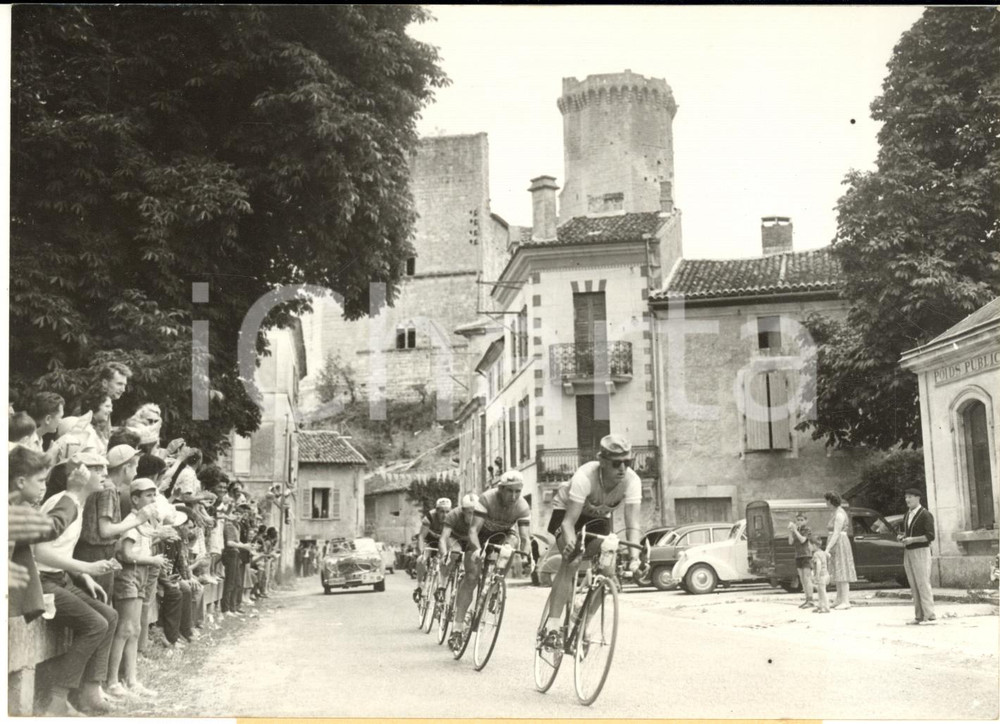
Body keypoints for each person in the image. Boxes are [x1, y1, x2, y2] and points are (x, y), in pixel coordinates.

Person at [33, 451, 123, 715]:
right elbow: (41, 553)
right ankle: (57, 699)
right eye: (98, 469)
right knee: (95, 624)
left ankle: (90, 690)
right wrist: (86, 567)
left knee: (110, 615)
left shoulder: (77, 503)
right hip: (42, 582)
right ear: (81, 475)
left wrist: (83, 577)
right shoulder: (64, 503)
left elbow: (61, 549)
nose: (105, 474)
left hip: (58, 578)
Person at [541, 434, 642, 648]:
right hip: (567, 513)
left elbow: (633, 525)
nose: (623, 468)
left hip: (597, 519)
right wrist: (570, 544)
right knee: (573, 560)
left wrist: (635, 558)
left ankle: (582, 618)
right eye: (616, 463)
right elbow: (568, 523)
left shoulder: (632, 481)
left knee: (608, 569)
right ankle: (552, 627)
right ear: (603, 462)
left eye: (627, 462)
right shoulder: (585, 477)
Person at [448, 471, 532, 652]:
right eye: (510, 491)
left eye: (518, 491)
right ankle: (457, 626)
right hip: (481, 536)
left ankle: (495, 587)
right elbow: (472, 531)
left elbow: (525, 537)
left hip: (503, 536)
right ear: (500, 489)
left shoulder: (523, 506)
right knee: (471, 577)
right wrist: (477, 549)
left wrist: (526, 555)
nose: (514, 496)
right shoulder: (487, 499)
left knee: (512, 543)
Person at [106, 477, 164, 699]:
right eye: (147, 495)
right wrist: (152, 560)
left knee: (136, 629)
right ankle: (113, 682)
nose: (152, 499)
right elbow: (126, 554)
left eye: (153, 495)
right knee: (125, 628)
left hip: (141, 575)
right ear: (135, 498)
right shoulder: (131, 521)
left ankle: (132, 680)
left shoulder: (145, 523)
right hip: (129, 576)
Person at [899, 488, 936, 625]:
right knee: (914, 584)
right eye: (906, 497)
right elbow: (906, 532)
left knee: (923, 583)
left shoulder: (925, 514)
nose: (907, 500)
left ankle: (930, 616)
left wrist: (912, 540)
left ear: (918, 498)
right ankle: (919, 616)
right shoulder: (907, 515)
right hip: (908, 551)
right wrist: (903, 536)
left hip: (921, 551)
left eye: (910, 497)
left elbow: (930, 536)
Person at [435, 493, 479, 601]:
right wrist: (445, 555)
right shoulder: (453, 515)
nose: (473, 516)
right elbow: (443, 539)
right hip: (454, 538)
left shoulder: (482, 516)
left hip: (470, 540)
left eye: (475, 513)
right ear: (463, 510)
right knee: (455, 553)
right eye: (469, 513)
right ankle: (442, 586)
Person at [413, 496, 452, 603]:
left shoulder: (453, 518)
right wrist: (421, 553)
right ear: (436, 510)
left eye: (447, 512)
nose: (444, 515)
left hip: (442, 542)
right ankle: (419, 586)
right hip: (429, 540)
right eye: (441, 512)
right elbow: (421, 537)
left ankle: (441, 588)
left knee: (445, 561)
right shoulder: (430, 516)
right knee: (422, 559)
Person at [823, 492, 856, 610]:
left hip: (840, 543)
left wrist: (827, 548)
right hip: (836, 543)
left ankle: (846, 601)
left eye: (827, 501)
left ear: (831, 501)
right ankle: (839, 599)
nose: (826, 503)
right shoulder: (835, 513)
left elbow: (837, 533)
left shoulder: (839, 514)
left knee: (842, 570)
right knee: (837, 571)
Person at [787, 513, 814, 609]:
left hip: (806, 555)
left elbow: (803, 540)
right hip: (798, 556)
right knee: (802, 579)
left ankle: (811, 600)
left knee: (807, 578)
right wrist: (790, 531)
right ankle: (807, 599)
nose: (799, 521)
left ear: (806, 521)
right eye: (798, 520)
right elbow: (790, 542)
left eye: (802, 520)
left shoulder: (807, 529)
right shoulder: (796, 530)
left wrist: (795, 530)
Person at [808, 536, 831, 614]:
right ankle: (820, 606)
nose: (808, 547)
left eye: (809, 545)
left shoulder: (816, 554)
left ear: (814, 545)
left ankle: (826, 607)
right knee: (820, 591)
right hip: (826, 574)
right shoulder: (822, 552)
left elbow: (818, 564)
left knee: (822, 591)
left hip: (821, 575)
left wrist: (817, 575)